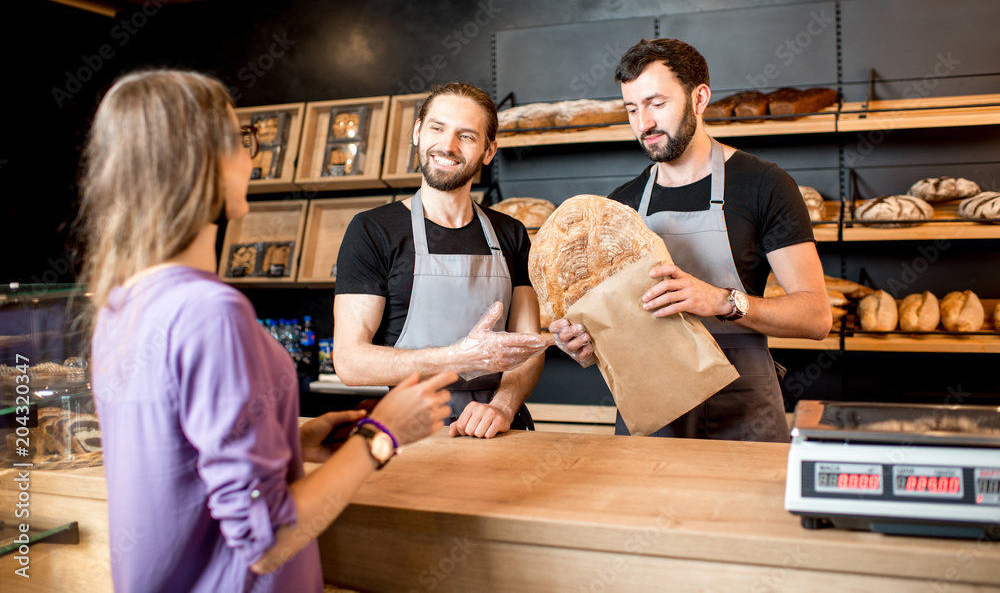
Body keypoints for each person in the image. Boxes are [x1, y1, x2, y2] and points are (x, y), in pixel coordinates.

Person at [78, 70, 455, 593]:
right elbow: (267, 540)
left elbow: (180, 461)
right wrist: (381, 436)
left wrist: (291, 441)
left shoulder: (121, 302)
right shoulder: (211, 312)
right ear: (199, 161)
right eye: (242, 140)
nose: (251, 157)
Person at [550, 39, 832, 443]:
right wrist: (584, 343)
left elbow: (817, 317)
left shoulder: (763, 185)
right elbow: (611, 330)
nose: (643, 122)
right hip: (651, 403)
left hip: (743, 406)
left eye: (656, 104)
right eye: (632, 108)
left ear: (699, 98)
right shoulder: (620, 207)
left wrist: (720, 301)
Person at [333, 82, 550, 439]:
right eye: (437, 128)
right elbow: (349, 361)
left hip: (497, 429)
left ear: (488, 150)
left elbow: (528, 346)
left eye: (466, 136)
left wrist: (502, 406)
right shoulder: (373, 230)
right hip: (409, 431)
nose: (447, 146)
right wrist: (458, 358)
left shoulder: (510, 233)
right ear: (417, 132)